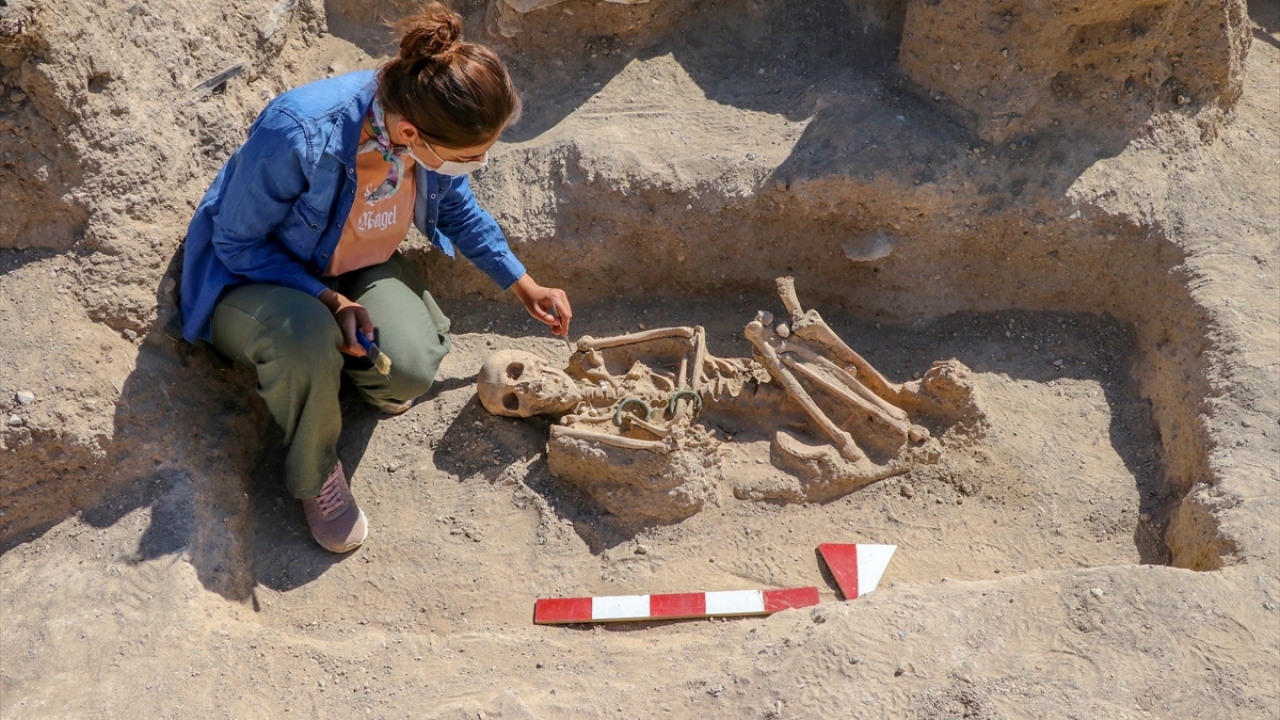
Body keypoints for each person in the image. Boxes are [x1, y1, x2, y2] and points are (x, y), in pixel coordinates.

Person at [179, 3, 570, 553]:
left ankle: (332, 374)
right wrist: (329, 301)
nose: (475, 165)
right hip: (253, 280)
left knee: (407, 371)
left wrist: (523, 282)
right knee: (305, 336)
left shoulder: (424, 116)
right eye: (468, 157)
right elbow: (237, 244)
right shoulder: (300, 130)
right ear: (409, 132)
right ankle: (315, 471)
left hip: (351, 262)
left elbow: (457, 209)